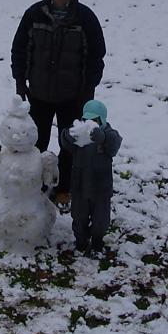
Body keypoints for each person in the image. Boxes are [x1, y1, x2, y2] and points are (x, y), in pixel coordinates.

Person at [11, 0, 106, 205]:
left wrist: (88, 89)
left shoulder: (85, 17)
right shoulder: (34, 14)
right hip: (39, 94)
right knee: (37, 143)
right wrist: (20, 81)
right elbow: (19, 49)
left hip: (72, 96)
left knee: (70, 145)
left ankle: (64, 187)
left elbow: (96, 56)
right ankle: (37, 185)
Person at [59, 100, 122, 254]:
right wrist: (68, 136)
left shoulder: (109, 134)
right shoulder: (79, 132)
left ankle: (97, 240)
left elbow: (114, 145)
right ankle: (81, 240)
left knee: (101, 219)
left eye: (95, 120)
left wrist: (103, 138)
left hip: (101, 187)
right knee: (78, 216)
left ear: (102, 120)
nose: (90, 123)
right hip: (79, 185)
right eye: (87, 119)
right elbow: (65, 142)